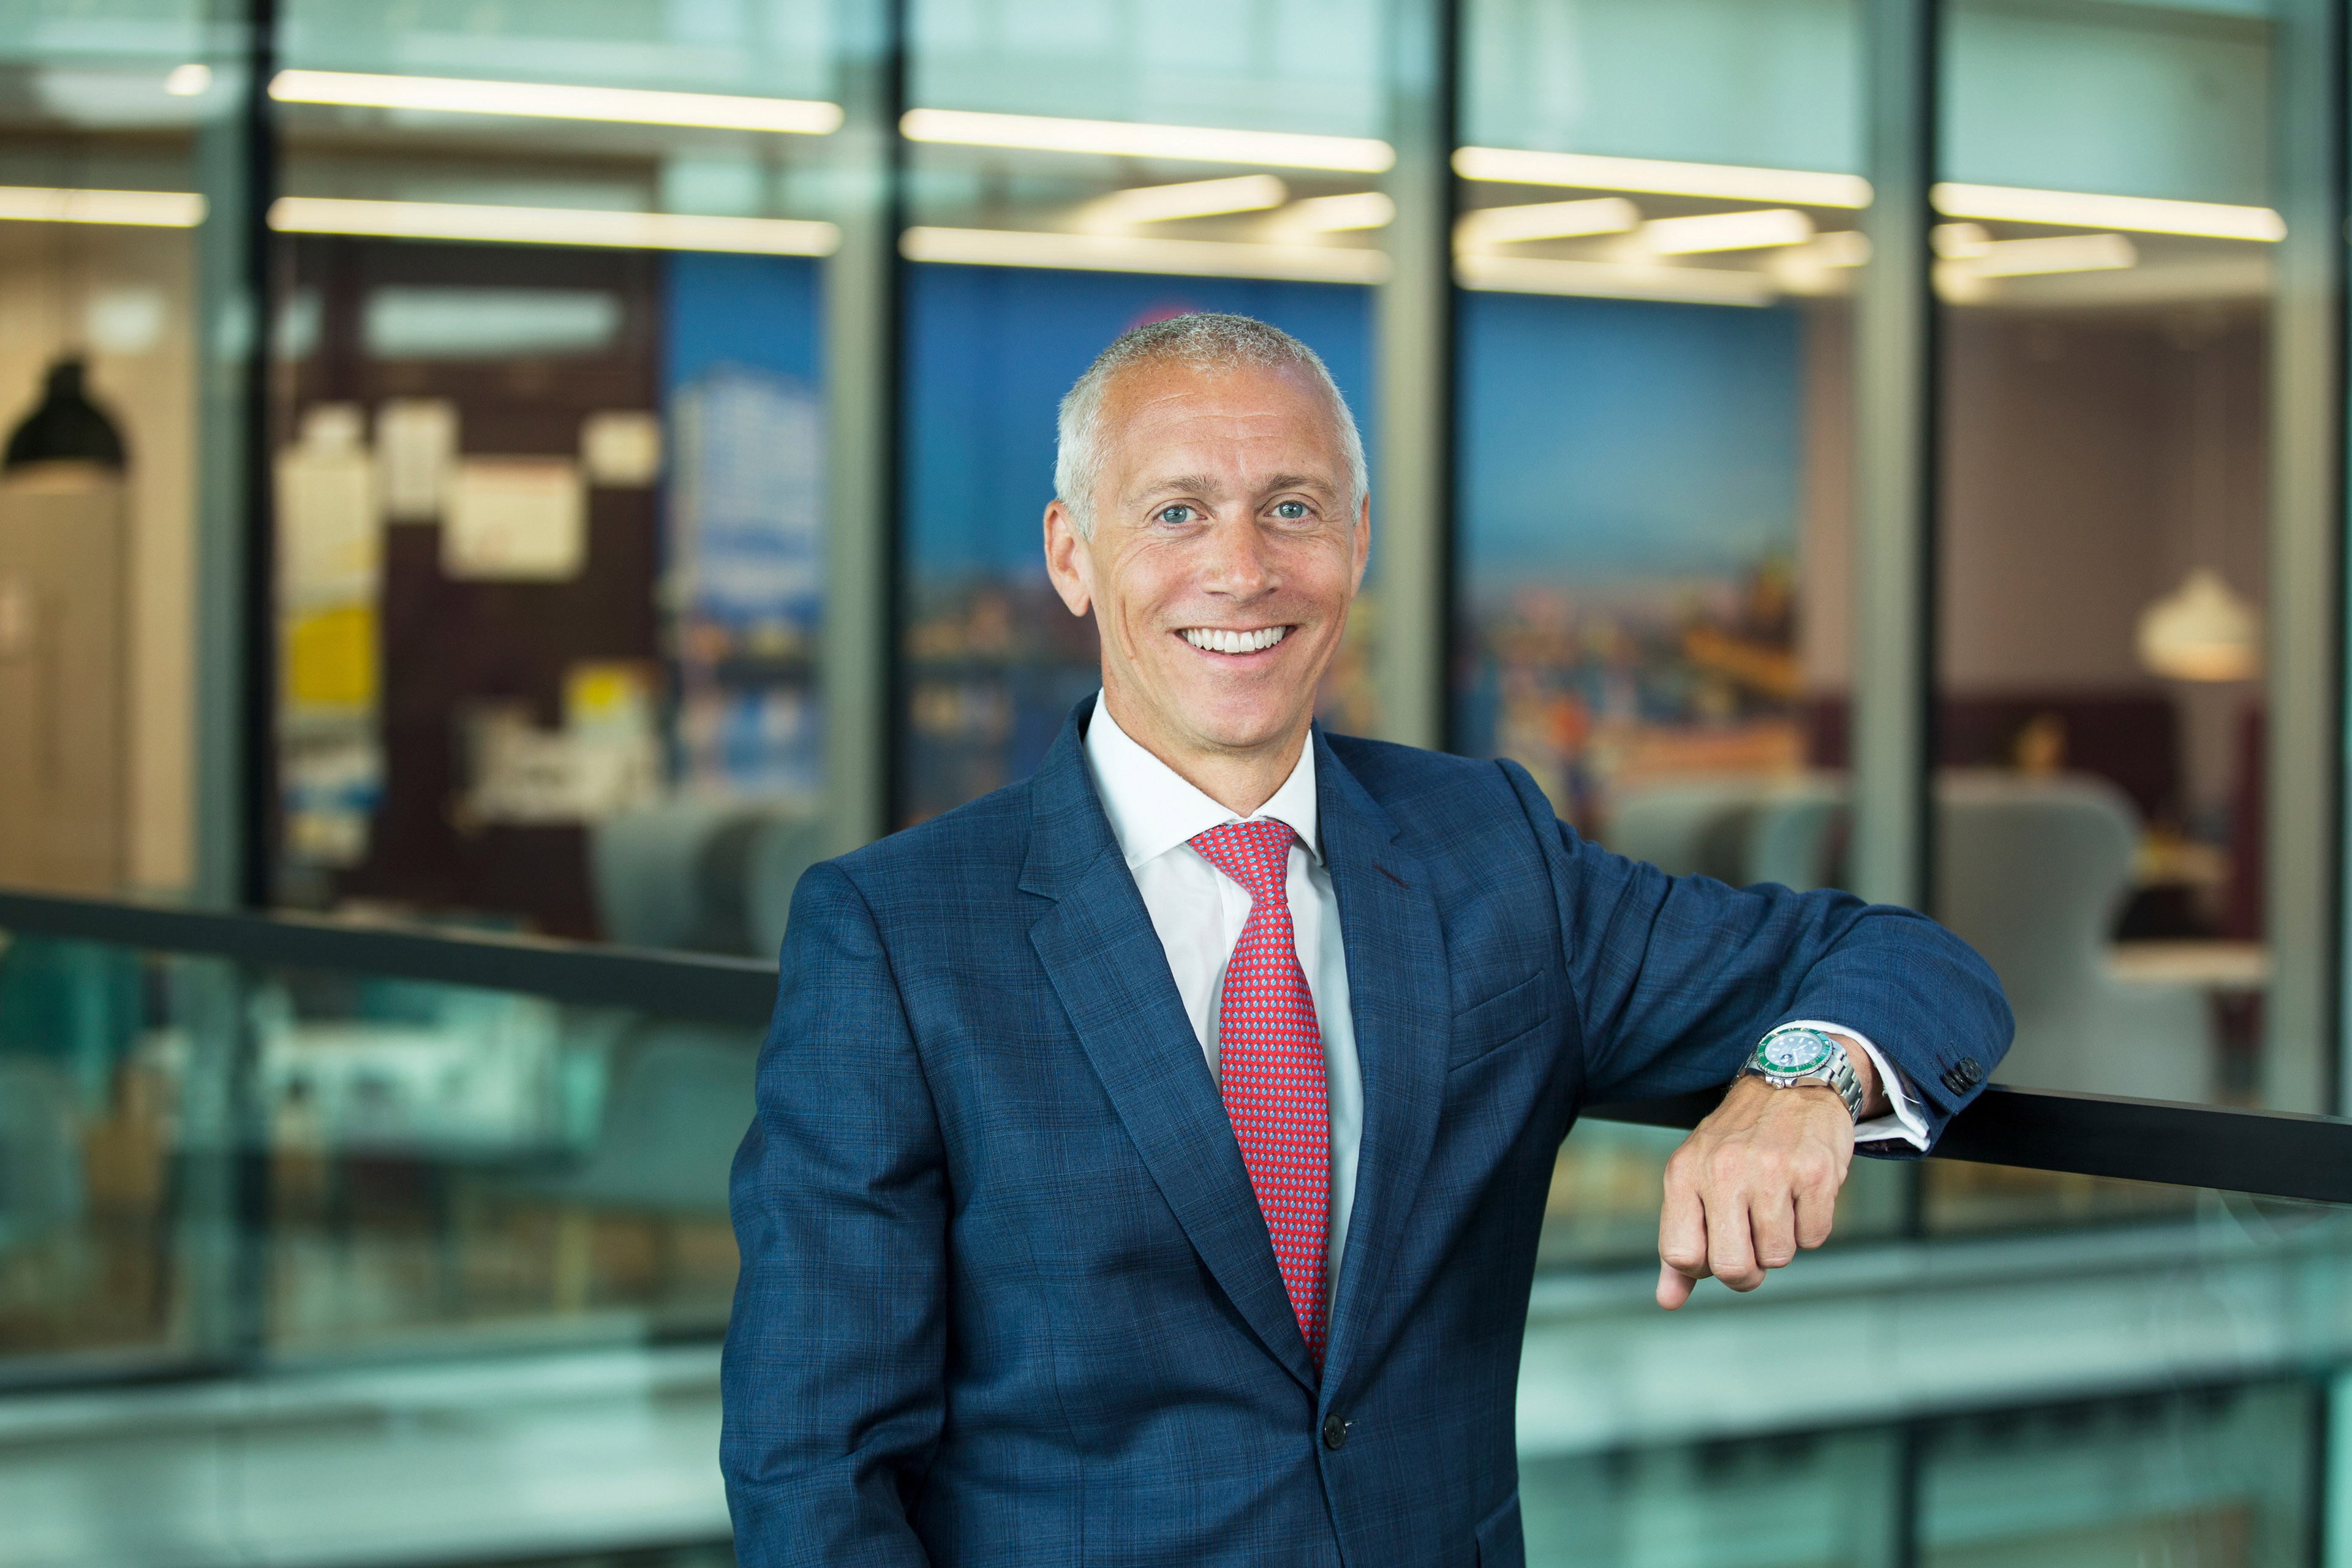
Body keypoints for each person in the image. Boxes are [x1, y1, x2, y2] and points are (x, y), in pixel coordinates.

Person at [722, 314, 2011, 1566]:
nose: (1243, 569)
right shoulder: (897, 934)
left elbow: (1907, 959)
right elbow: (813, 1467)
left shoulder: (1491, 851)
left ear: (1359, 539)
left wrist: (1799, 1080)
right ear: (1071, 555)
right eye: (1177, 512)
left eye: (1292, 507)